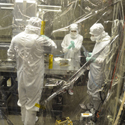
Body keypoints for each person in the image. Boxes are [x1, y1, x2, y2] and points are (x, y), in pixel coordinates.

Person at [7, 17, 57, 125]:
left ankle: (25, 121)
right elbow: (54, 47)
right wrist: (43, 35)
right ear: (39, 26)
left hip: (21, 75)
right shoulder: (40, 39)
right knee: (32, 103)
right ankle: (29, 122)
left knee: (23, 100)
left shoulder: (16, 38)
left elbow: (10, 55)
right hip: (34, 76)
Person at [83, 23, 111, 122]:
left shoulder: (107, 42)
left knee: (96, 91)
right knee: (90, 86)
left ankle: (96, 111)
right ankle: (91, 106)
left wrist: (94, 59)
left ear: (99, 33)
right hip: (93, 69)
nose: (91, 37)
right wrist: (91, 54)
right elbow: (98, 52)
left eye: (93, 35)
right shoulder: (99, 39)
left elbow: (106, 59)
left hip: (99, 71)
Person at [61, 23, 83, 95]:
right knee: (65, 73)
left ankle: (70, 88)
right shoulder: (66, 36)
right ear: (70, 30)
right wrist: (67, 48)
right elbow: (63, 46)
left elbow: (77, 48)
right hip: (66, 57)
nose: (73, 32)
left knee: (73, 74)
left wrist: (73, 47)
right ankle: (64, 87)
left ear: (77, 30)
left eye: (75, 31)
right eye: (72, 31)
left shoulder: (80, 37)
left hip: (75, 58)